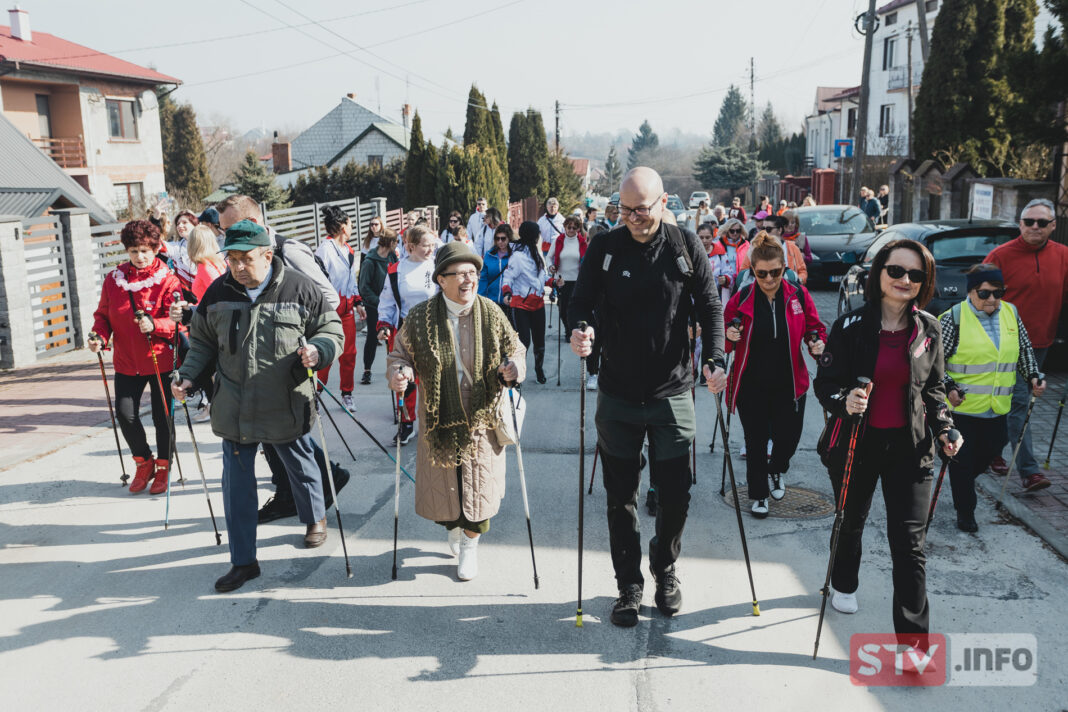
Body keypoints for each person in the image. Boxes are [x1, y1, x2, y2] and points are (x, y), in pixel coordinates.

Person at [570, 167, 727, 628]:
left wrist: (714, 356)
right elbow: (579, 304)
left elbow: (710, 304)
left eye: (642, 209)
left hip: (672, 391)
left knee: (675, 494)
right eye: (625, 209)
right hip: (617, 393)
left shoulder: (683, 245)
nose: (634, 217)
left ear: (663, 203)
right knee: (621, 497)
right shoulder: (604, 247)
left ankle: (665, 567)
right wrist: (581, 331)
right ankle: (629, 585)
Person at [173, 220, 343, 592]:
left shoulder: (301, 288)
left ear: (268, 255)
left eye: (245, 259)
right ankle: (243, 561)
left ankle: (314, 517)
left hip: (285, 399)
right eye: (231, 258)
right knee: (236, 486)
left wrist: (319, 350)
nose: (236, 266)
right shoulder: (217, 293)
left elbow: (332, 330)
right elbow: (201, 342)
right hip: (234, 404)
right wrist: (186, 375)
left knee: (299, 461)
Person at [814, 239, 960, 643]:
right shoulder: (850, 327)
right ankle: (843, 581)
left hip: (910, 449)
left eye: (915, 274)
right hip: (857, 445)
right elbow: (824, 383)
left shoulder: (929, 328)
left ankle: (914, 642)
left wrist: (946, 427)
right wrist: (844, 401)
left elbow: (934, 389)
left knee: (910, 545)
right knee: (850, 524)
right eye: (896, 270)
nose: (904, 280)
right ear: (878, 274)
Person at [387, 242, 526, 581]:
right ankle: (453, 527)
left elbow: (516, 349)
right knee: (448, 487)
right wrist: (400, 374)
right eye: (460, 273)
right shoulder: (420, 318)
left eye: (473, 273)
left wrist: (513, 368)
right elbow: (399, 355)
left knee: (479, 486)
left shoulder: (491, 312)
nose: (469, 279)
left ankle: (470, 544)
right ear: (441, 279)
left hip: (483, 417)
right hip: (439, 418)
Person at [207, 195, 346, 526]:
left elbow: (328, 297)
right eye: (221, 230)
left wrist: (302, 336)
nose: (223, 237)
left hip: (296, 354)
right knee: (272, 436)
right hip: (255, 359)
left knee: (289, 431)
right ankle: (298, 490)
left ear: (253, 223)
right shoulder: (240, 260)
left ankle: (317, 485)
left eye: (227, 228)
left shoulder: (289, 250)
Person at [723, 232, 826, 517]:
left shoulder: (797, 294)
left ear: (785, 267)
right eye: (762, 273)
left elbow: (814, 327)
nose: (769, 279)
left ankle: (778, 469)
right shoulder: (742, 297)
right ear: (752, 271)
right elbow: (724, 335)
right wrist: (729, 335)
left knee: (787, 438)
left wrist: (817, 342)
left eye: (776, 272)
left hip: (790, 382)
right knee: (755, 441)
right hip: (751, 383)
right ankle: (758, 495)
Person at [940, 263, 1043, 532]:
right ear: (971, 292)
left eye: (998, 292)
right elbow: (934, 363)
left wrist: (1033, 375)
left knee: (984, 458)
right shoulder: (953, 318)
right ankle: (966, 513)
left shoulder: (1010, 313)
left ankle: (958, 477)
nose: (992, 300)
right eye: (984, 293)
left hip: (998, 408)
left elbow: (1024, 350)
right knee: (963, 462)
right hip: (961, 410)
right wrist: (948, 386)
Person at [89, 220, 182, 495]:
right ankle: (144, 462)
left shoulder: (167, 279)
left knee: (162, 416)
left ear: (155, 248)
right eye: (133, 251)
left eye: (144, 250)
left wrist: (156, 325)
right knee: (126, 415)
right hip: (127, 361)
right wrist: (99, 337)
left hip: (159, 359)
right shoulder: (114, 279)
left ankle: (164, 467)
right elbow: (103, 316)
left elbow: (180, 323)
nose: (139, 257)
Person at [984, 199, 1068, 490]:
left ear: (1053, 226)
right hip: (1006, 344)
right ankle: (1030, 472)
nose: (1034, 227)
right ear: (1019, 224)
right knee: (1021, 402)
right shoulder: (1000, 255)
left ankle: (991, 450)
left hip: (1041, 342)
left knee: (1013, 403)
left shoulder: (1063, 255)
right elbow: (980, 298)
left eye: (1042, 223)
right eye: (1029, 221)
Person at [377, 225, 441, 445]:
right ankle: (406, 423)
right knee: (404, 377)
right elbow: (387, 301)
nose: (431, 249)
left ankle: (434, 421)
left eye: (433, 245)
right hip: (405, 329)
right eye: (426, 245)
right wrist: (384, 324)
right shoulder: (396, 270)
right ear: (410, 246)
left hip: (433, 329)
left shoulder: (437, 267)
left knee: (433, 378)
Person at [314, 205, 366, 410]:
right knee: (327, 354)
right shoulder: (324, 249)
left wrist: (358, 301)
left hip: (346, 309)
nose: (352, 226)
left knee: (349, 354)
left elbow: (351, 280)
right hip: (329, 310)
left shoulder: (349, 250)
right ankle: (316, 393)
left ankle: (347, 393)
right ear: (343, 226)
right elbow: (318, 279)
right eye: (350, 223)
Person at [185, 223, 228, 423]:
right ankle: (213, 405)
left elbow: (214, 294)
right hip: (214, 322)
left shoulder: (204, 267)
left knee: (203, 369)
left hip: (207, 325)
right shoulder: (219, 262)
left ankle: (213, 406)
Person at [503, 221, 550, 384]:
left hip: (538, 304)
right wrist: (507, 291)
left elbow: (541, 277)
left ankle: (539, 369)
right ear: (533, 236)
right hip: (521, 305)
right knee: (523, 342)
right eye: (537, 234)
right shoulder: (517, 256)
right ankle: (517, 373)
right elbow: (508, 276)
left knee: (539, 340)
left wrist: (552, 282)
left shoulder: (536, 253)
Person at [550, 216, 590, 383]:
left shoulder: (582, 242)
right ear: (565, 227)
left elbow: (587, 259)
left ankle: (570, 331)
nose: (572, 230)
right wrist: (550, 267)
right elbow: (549, 257)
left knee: (573, 308)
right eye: (569, 227)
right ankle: (567, 327)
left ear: (578, 229)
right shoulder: (558, 240)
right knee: (562, 307)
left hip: (577, 279)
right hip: (562, 279)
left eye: (575, 228)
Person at [357, 230, 399, 385]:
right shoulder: (370, 261)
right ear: (391, 242)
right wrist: (379, 302)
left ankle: (393, 367)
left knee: (391, 336)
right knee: (373, 337)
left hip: (390, 304)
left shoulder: (392, 256)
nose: (397, 245)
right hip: (373, 305)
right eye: (396, 242)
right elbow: (364, 287)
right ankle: (367, 370)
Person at [739, 214, 808, 284]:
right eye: (763, 229)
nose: (765, 232)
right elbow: (743, 270)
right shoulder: (755, 247)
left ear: (780, 230)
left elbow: (802, 271)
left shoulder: (793, 248)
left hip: (788, 291)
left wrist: (798, 281)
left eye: (768, 229)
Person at [478, 223, 513, 319]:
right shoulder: (489, 255)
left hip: (511, 302)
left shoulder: (515, 255)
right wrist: (480, 298)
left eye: (503, 238)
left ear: (509, 238)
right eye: (497, 238)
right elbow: (483, 278)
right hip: (492, 302)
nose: (500, 241)